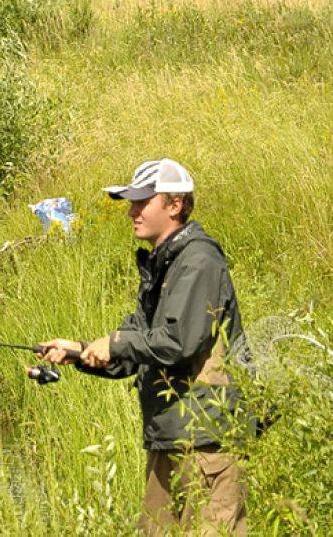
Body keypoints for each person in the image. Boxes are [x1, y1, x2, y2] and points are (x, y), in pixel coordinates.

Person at [36, 158, 250, 536]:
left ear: (174, 205)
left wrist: (115, 343)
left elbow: (177, 343)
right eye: (131, 202)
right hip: (171, 435)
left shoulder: (199, 261)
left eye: (141, 201)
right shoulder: (163, 263)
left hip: (206, 440)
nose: (132, 211)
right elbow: (135, 346)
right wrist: (78, 351)